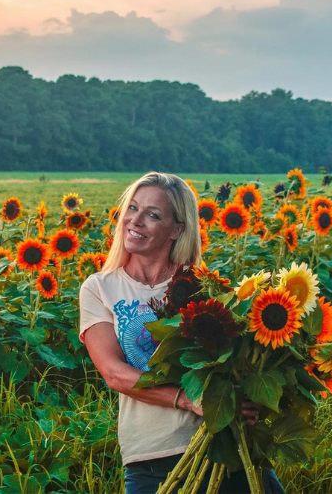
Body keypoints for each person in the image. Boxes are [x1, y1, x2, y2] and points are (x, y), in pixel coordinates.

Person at [79, 172, 284, 493]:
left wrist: (250, 398)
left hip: (222, 445)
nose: (136, 220)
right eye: (132, 208)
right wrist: (187, 400)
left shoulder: (200, 286)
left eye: (153, 214)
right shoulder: (101, 288)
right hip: (151, 454)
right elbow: (115, 374)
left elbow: (230, 365)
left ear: (178, 229)